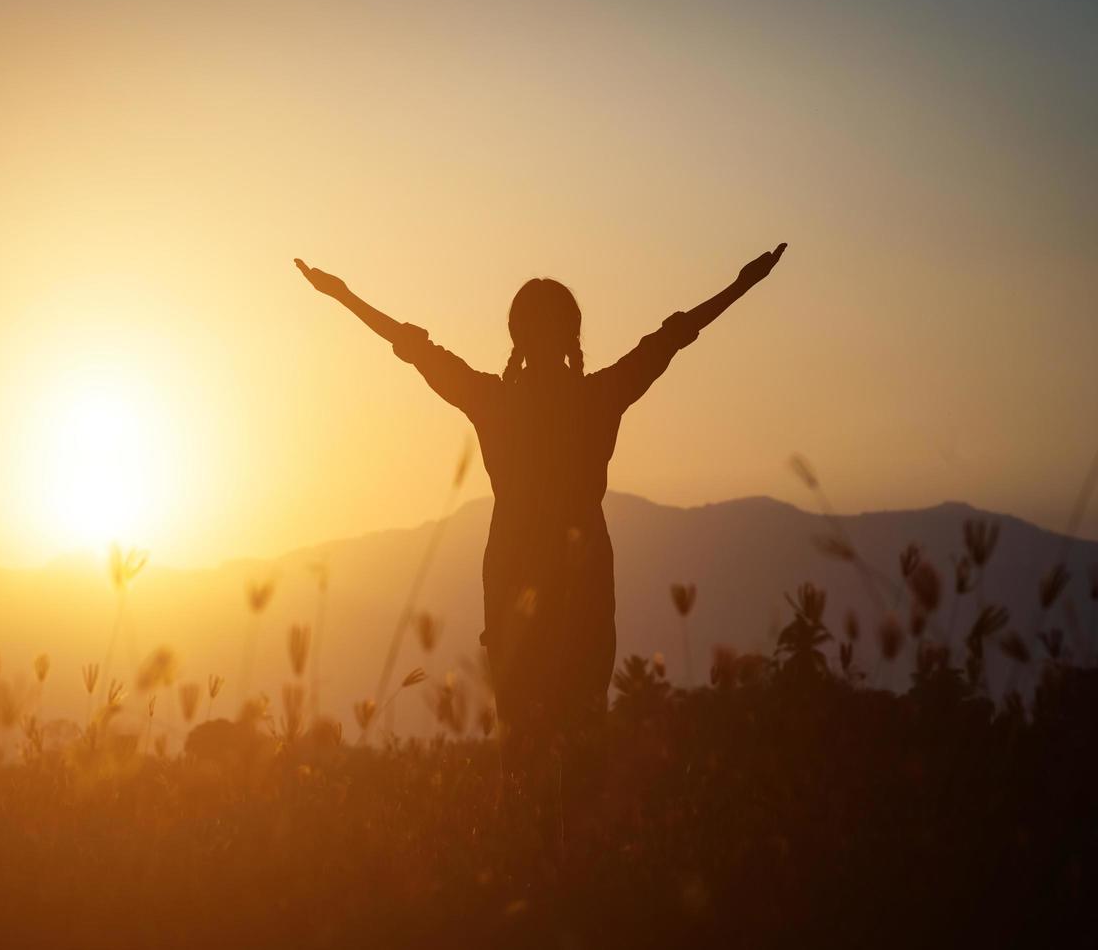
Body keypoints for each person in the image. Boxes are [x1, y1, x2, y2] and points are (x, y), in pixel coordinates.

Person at [294, 243, 787, 857]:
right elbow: (673, 337)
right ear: (573, 333)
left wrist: (340, 295)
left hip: (513, 583)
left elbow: (410, 345)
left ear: (515, 334)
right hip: (582, 582)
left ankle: (519, 874)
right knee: (582, 734)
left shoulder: (492, 399)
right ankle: (579, 875)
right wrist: (743, 284)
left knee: (522, 739)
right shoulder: (599, 395)